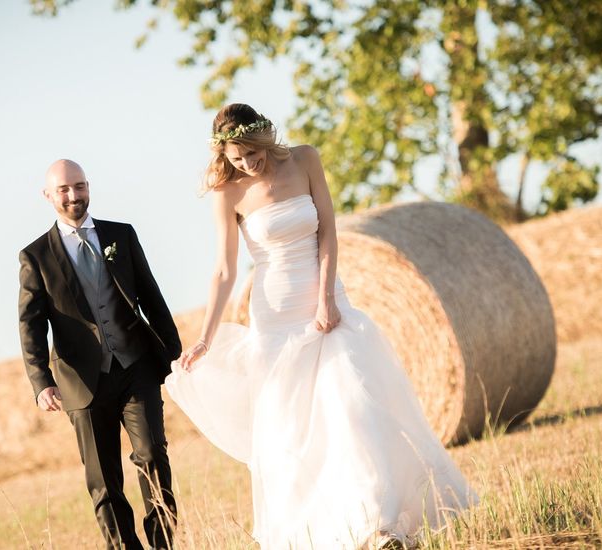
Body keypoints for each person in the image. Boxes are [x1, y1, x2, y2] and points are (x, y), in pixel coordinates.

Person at [165, 104, 477, 549]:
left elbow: (328, 230)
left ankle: (382, 523)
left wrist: (327, 298)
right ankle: (326, 532)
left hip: (326, 302)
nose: (247, 164)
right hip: (274, 319)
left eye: (251, 153)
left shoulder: (305, 160)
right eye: (236, 159)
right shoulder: (227, 193)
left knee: (355, 407)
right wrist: (204, 338)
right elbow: (224, 271)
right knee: (293, 432)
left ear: (264, 139)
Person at [18, 159, 182, 550]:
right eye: (64, 190)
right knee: (103, 482)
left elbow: (150, 297)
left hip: (135, 367)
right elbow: (30, 324)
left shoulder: (120, 235)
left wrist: (173, 355)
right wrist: (42, 382)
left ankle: (164, 545)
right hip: (82, 384)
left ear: (88, 186)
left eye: (79, 186)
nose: (73, 196)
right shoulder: (35, 256)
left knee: (153, 456)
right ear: (47, 195)